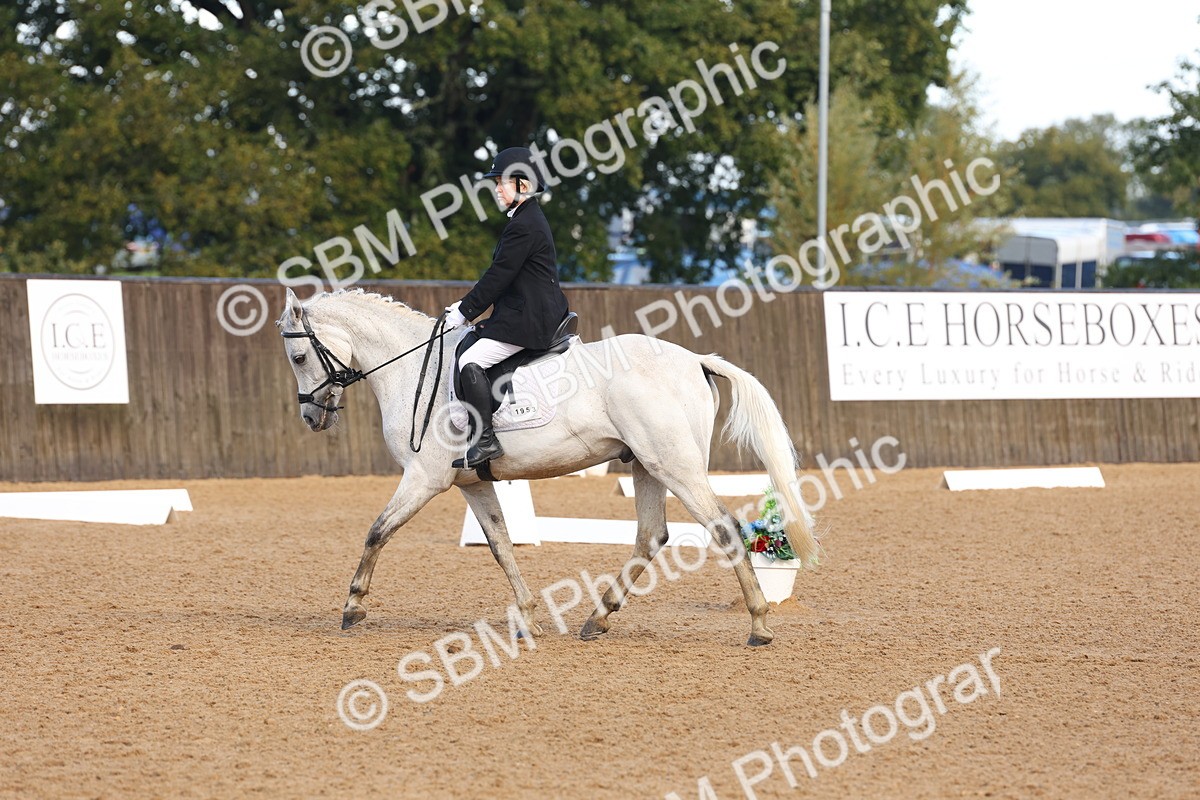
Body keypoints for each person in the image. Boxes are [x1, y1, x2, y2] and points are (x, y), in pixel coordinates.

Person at [445, 147, 570, 468]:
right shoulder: (525, 219)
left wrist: (464, 311)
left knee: (471, 360)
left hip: (531, 319)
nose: (497, 189)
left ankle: (484, 440)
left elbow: (498, 277)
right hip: (524, 311)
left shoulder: (525, 224)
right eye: (496, 182)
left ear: (523, 185)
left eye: (502, 182)